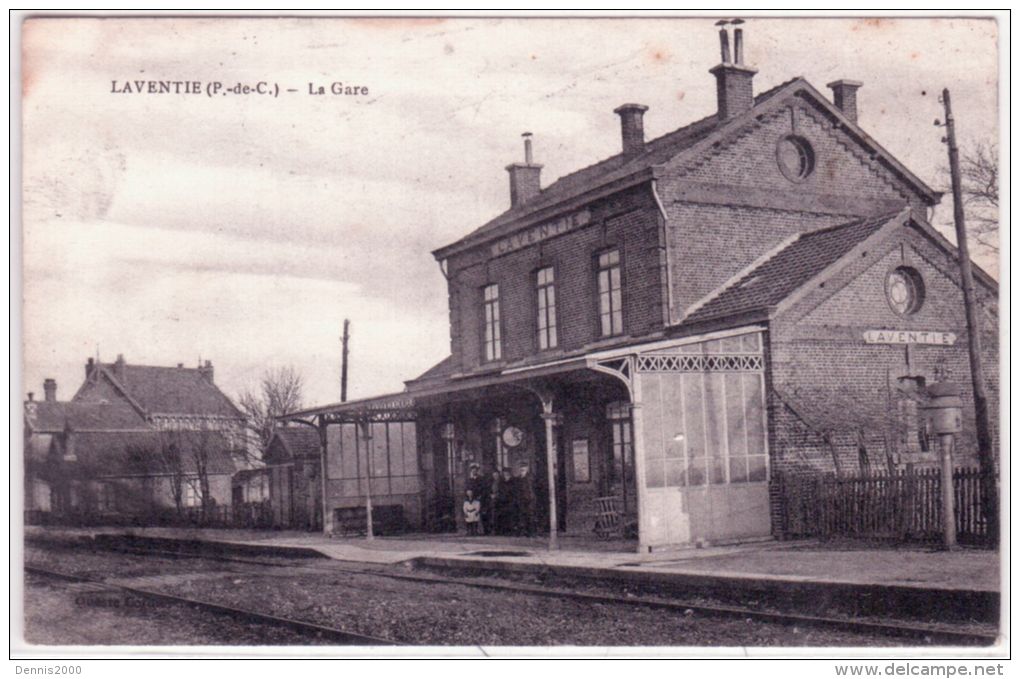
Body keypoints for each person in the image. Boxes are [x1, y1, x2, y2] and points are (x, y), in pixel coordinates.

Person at [514, 460, 537, 537]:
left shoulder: (530, 477)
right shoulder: (518, 478)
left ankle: (532, 532)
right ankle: (524, 532)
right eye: (521, 468)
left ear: (527, 468)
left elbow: (532, 488)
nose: (522, 469)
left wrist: (532, 497)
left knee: (530, 515)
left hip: (530, 499)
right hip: (521, 500)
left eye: (524, 468)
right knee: (522, 515)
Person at [495, 467, 515, 535]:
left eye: (507, 473)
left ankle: (511, 531)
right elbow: (500, 491)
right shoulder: (501, 482)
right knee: (504, 516)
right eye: (504, 473)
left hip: (511, 501)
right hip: (503, 501)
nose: (506, 474)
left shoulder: (513, 481)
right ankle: (504, 531)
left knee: (511, 516)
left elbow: (514, 491)